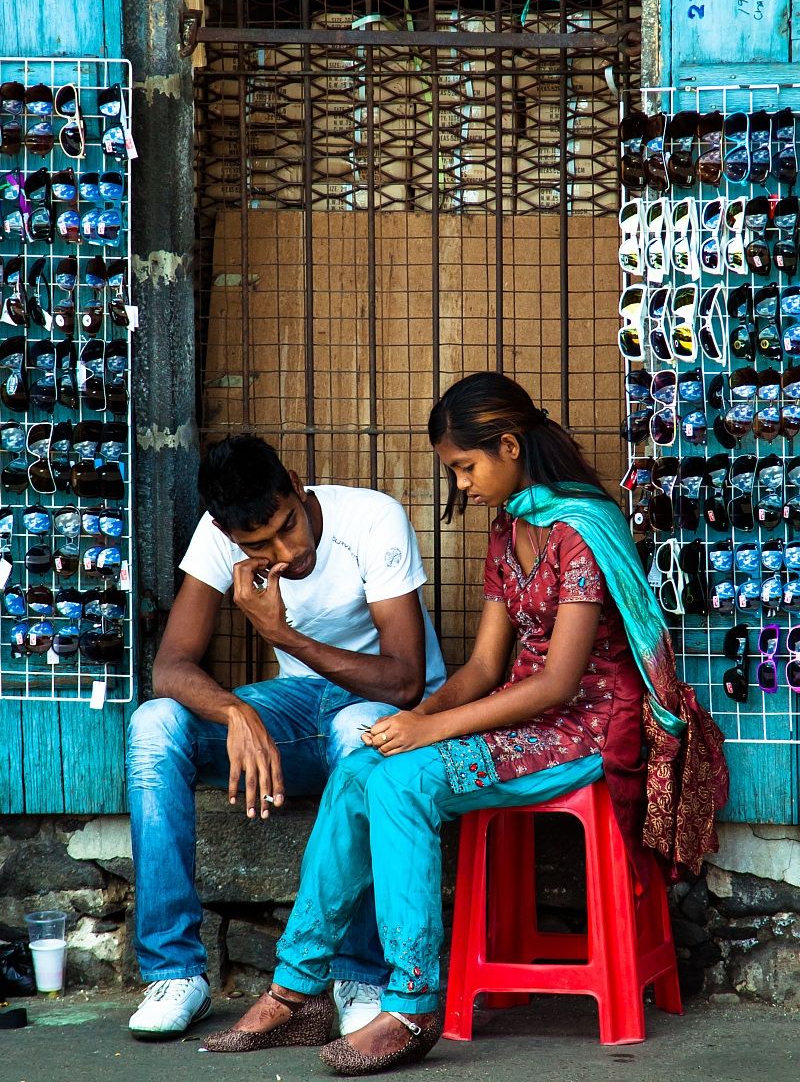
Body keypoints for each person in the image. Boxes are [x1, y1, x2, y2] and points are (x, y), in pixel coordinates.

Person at [201, 372, 729, 1074]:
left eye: (466, 466)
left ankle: (413, 1003)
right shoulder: (509, 527)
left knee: (400, 784)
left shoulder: (579, 530)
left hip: (589, 730)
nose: (463, 484)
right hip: (524, 717)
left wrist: (429, 735)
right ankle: (297, 992)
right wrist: (415, 717)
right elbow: (483, 666)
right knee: (362, 764)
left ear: (509, 445)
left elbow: (558, 683)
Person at [125, 434, 447, 1039]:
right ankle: (176, 972)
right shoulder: (215, 536)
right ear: (228, 536)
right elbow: (170, 666)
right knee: (153, 723)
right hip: (299, 708)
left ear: (297, 486)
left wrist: (286, 635)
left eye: (287, 527)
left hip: (390, 708)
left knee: (359, 730)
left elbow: (405, 681)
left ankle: (361, 975)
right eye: (257, 545)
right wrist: (236, 714)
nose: (284, 552)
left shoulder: (372, 518)